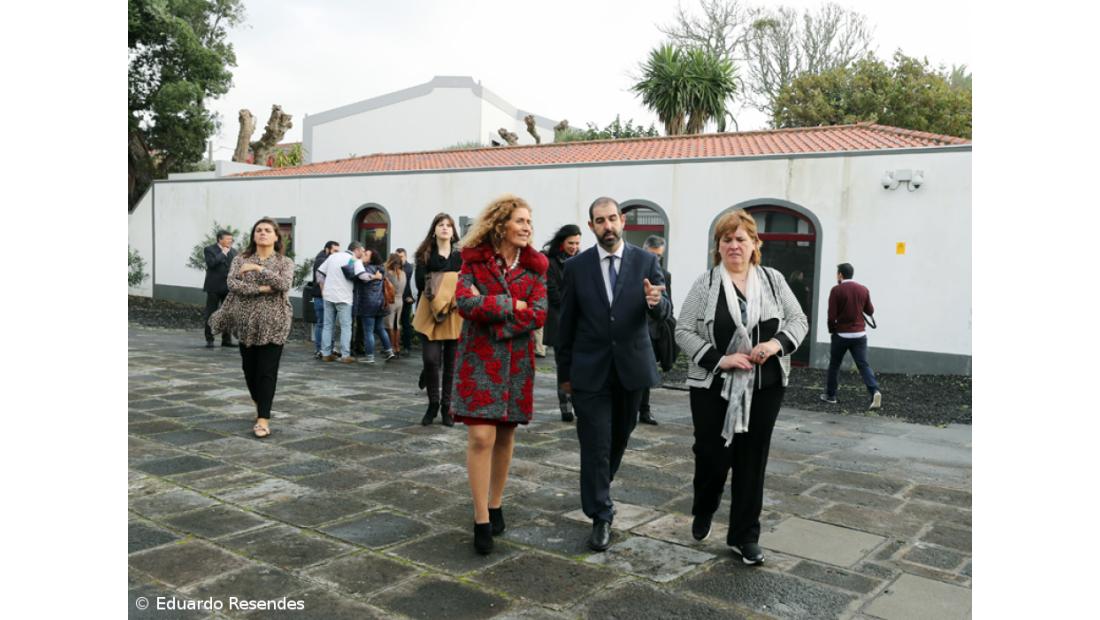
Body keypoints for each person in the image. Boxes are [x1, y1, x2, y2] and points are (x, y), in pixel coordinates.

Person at [674, 209, 808, 565]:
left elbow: (798, 320)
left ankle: (744, 536)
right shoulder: (705, 284)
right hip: (713, 386)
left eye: (741, 239)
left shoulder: (774, 280)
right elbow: (683, 330)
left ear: (755, 244)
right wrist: (720, 359)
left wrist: (774, 345)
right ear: (718, 247)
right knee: (712, 455)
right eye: (727, 239)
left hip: (765, 385)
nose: (734, 245)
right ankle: (705, 506)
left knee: (752, 460)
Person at [555, 197, 671, 552]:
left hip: (631, 369)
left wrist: (656, 304)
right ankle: (601, 513)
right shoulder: (576, 267)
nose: (607, 226)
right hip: (590, 371)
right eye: (599, 221)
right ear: (591, 226)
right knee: (595, 443)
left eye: (612, 219)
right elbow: (566, 325)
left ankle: (598, 485)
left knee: (619, 437)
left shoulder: (647, 261)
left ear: (622, 221)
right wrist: (564, 375)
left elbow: (664, 310)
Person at [453, 194, 548, 555]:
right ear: (500, 224)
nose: (527, 228)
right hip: (478, 361)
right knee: (480, 437)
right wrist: (511, 305)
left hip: (516, 364)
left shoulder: (537, 267)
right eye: (521, 221)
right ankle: (480, 518)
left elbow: (538, 314)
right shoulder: (474, 262)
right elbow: (465, 302)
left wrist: (491, 314)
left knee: (505, 436)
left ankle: (496, 502)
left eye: (529, 222)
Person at [208, 218, 294, 438]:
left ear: (276, 236)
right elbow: (233, 285)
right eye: (258, 230)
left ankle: (263, 419)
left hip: (275, 322)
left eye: (267, 230)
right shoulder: (239, 259)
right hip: (246, 324)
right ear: (253, 235)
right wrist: (264, 288)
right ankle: (261, 404)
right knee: (249, 370)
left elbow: (284, 285)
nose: (263, 233)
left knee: (267, 372)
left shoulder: (285, 262)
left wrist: (258, 268)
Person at [411, 213, 464, 426]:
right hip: (430, 309)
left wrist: (445, 283)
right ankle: (433, 403)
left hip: (454, 311)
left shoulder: (461, 256)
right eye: (441, 225)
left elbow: (466, 281)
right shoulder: (424, 254)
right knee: (432, 359)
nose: (445, 228)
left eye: (449, 225)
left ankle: (446, 407)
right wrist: (448, 283)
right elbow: (421, 285)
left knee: (451, 364)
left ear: (453, 232)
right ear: (434, 230)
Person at [821, 262, 882, 410]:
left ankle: (831, 396)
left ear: (840, 275)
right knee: (863, 364)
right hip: (860, 335)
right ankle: (874, 391)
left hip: (841, 334)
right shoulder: (863, 289)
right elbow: (870, 310)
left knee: (835, 365)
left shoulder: (836, 290)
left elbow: (831, 316)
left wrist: (832, 330)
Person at [541, 223, 582, 422]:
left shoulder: (582, 261)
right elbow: (553, 293)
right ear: (562, 242)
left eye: (577, 243)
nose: (574, 247)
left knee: (580, 365)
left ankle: (579, 403)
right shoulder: (549, 262)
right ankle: (565, 406)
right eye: (571, 243)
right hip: (559, 321)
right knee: (563, 365)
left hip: (580, 323)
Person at [638, 235, 673, 426]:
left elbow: (669, 306)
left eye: (659, 256)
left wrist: (659, 307)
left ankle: (645, 410)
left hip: (652, 331)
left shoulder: (664, 275)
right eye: (652, 255)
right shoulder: (630, 270)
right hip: (632, 330)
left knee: (646, 372)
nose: (655, 260)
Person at [316, 241, 363, 364]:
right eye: (361, 251)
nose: (362, 253)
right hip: (344, 297)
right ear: (356, 250)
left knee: (327, 325)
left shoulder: (333, 256)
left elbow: (319, 272)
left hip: (328, 295)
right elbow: (362, 276)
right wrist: (374, 277)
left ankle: (326, 353)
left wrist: (323, 289)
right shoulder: (354, 260)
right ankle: (345, 355)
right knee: (345, 327)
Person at [353, 246, 395, 364]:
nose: (363, 255)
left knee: (368, 331)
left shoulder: (366, 269)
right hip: (380, 303)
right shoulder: (381, 268)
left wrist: (358, 260)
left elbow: (361, 276)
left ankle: (370, 357)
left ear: (371, 259)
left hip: (368, 304)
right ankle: (389, 351)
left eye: (366, 255)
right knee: (380, 329)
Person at [203, 230, 237, 348]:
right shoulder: (209, 249)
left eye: (231, 239)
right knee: (211, 313)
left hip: (228, 288)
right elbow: (211, 263)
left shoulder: (234, 251)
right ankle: (209, 339)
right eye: (228, 239)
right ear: (220, 239)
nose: (230, 241)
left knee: (228, 314)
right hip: (214, 287)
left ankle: (226, 340)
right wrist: (223, 253)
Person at [309, 241, 340, 358]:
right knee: (322, 324)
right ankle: (320, 349)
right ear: (327, 250)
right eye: (335, 251)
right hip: (321, 297)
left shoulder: (326, 259)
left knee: (326, 324)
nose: (337, 254)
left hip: (326, 296)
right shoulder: (322, 261)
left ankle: (327, 349)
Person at [383, 253, 407, 357]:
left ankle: (391, 348)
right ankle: (397, 347)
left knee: (390, 325)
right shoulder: (403, 274)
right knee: (397, 324)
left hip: (391, 301)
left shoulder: (388, 273)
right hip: (400, 301)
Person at [396, 248, 416, 356]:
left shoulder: (410, 268)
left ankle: (407, 347)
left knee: (405, 323)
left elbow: (413, 284)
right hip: (396, 299)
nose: (399, 259)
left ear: (406, 256)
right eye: (397, 256)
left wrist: (412, 297)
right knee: (394, 324)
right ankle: (395, 346)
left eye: (401, 256)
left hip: (406, 299)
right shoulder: (395, 267)